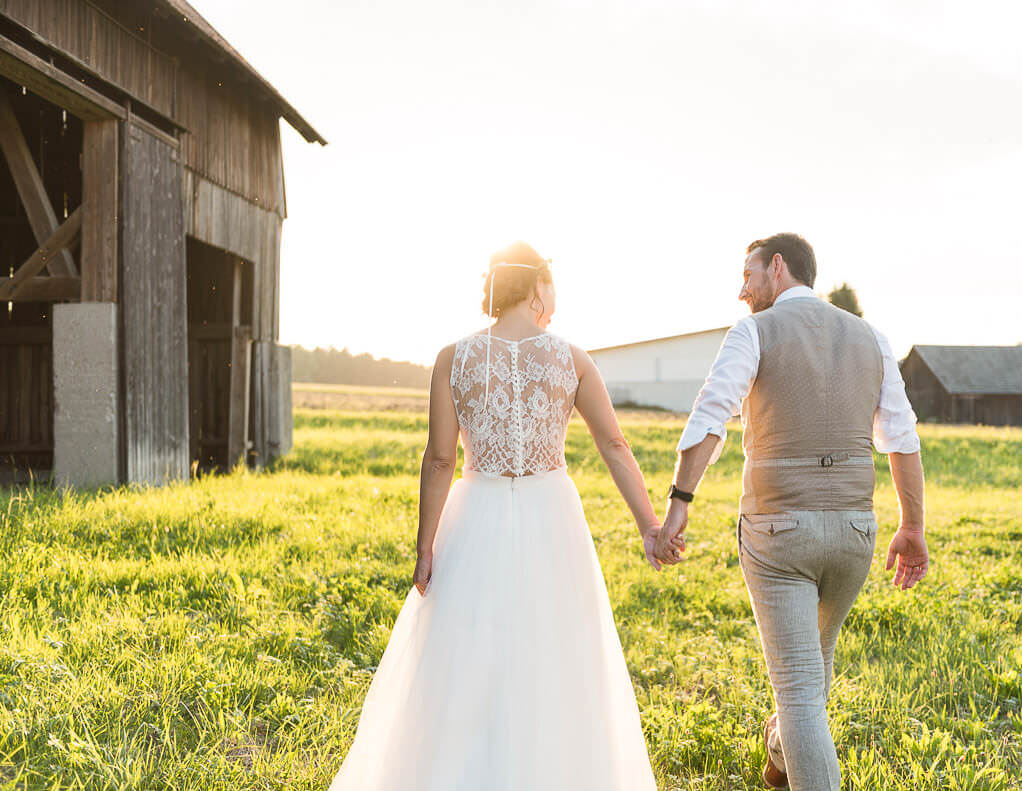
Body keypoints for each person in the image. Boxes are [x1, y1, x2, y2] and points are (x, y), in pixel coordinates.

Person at [327, 241, 675, 790]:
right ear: (537, 286)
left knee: (465, 653)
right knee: (557, 649)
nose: (556, 297)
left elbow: (440, 459)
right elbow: (614, 443)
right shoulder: (571, 358)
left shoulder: (453, 358)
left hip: (475, 513)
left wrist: (426, 547)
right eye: (553, 284)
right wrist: (649, 526)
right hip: (551, 514)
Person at [653, 233, 929, 790]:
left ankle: (788, 743)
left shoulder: (754, 331)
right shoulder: (871, 338)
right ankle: (780, 751)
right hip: (855, 532)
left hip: (778, 531)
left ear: (777, 266)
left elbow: (710, 416)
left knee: (800, 690)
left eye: (748, 274)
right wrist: (913, 527)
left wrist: (679, 503)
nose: (742, 289)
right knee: (814, 667)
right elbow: (902, 438)